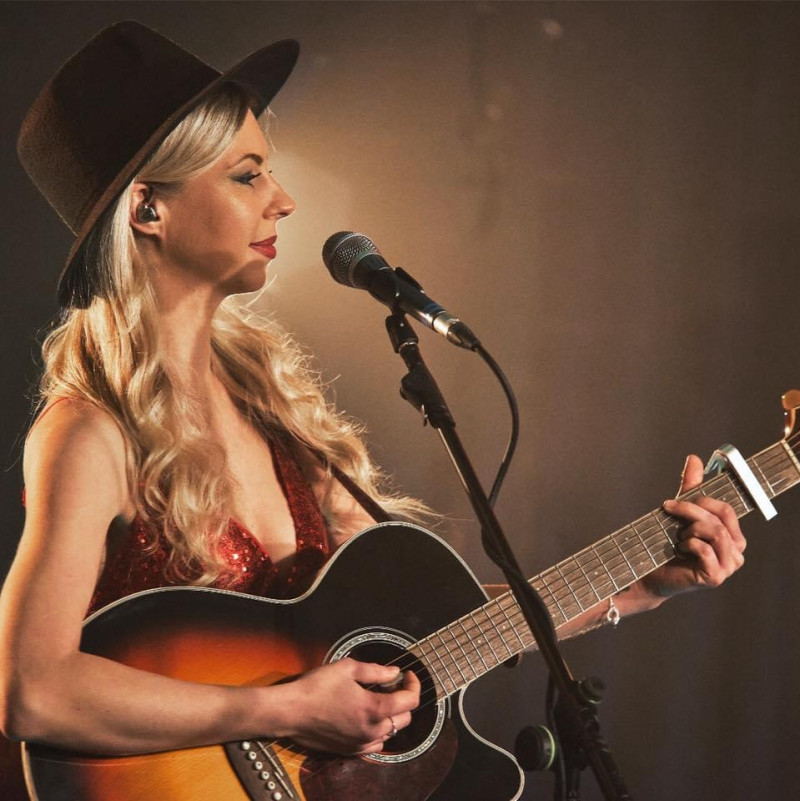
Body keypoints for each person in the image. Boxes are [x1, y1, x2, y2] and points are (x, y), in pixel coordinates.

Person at [0, 19, 745, 779]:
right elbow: (32, 691)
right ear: (147, 210)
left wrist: (643, 584)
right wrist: (282, 710)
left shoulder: (271, 407)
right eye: (247, 175)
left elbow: (435, 633)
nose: (284, 200)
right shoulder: (88, 433)